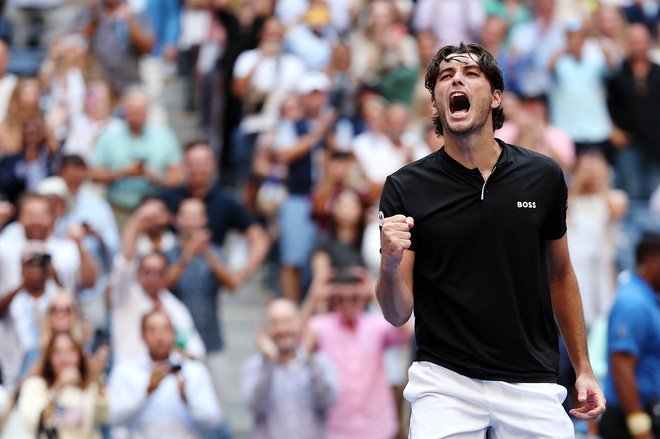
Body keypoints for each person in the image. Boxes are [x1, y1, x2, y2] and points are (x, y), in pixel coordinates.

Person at [376, 43, 606, 438]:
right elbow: (398, 314)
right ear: (435, 105)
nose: (456, 80)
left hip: (530, 378)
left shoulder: (544, 176)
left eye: (470, 74)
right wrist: (389, 263)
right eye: (445, 77)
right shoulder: (404, 187)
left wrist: (583, 366)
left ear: (495, 96)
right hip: (444, 382)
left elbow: (561, 275)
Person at [307, 267, 412, 439]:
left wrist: (373, 294)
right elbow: (298, 347)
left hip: (377, 425)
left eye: (354, 298)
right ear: (332, 299)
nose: (347, 304)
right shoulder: (320, 326)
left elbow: (405, 333)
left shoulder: (376, 324)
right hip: (336, 427)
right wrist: (314, 298)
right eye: (341, 298)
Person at [109, 203, 205, 365]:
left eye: (158, 273)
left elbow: (195, 349)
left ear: (165, 277)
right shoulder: (124, 295)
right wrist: (138, 222)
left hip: (166, 380)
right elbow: (124, 264)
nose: (152, 278)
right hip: (129, 378)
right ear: (138, 274)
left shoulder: (174, 306)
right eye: (147, 272)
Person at [108, 309, 222, 439]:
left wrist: (187, 399)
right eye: (152, 330)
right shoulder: (126, 372)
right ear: (142, 336)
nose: (159, 336)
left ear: (173, 334)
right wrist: (145, 392)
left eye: (165, 329)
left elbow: (214, 420)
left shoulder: (194, 371)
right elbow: (111, 418)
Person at [241, 298, 339, 439]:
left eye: (287, 321)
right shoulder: (254, 366)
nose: (282, 329)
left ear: (299, 323)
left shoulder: (320, 362)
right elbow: (255, 406)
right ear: (266, 328)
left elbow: (329, 400)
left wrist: (309, 359)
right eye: (275, 323)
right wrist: (270, 363)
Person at [599, 232, 660, 439]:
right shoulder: (633, 303)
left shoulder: (647, 299)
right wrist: (640, 428)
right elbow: (622, 367)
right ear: (652, 261)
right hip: (627, 420)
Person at [15, 331, 108, 439]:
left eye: (71, 351)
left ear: (79, 355)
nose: (64, 358)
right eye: (57, 352)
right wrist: (58, 387)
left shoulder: (89, 387)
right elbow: (34, 423)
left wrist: (98, 378)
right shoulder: (35, 385)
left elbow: (104, 417)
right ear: (49, 357)